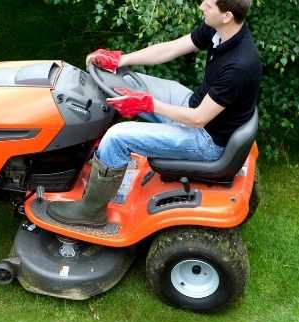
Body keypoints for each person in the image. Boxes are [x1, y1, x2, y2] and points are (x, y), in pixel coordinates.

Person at [48, 0, 262, 228]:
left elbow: (199, 118)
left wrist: (148, 105)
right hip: (196, 107)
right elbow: (170, 48)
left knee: (116, 137)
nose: (200, 6)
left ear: (227, 15)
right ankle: (102, 159)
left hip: (206, 139)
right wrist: (121, 60)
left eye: (208, 5)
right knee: (126, 82)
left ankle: (90, 211)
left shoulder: (239, 65)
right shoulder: (217, 30)